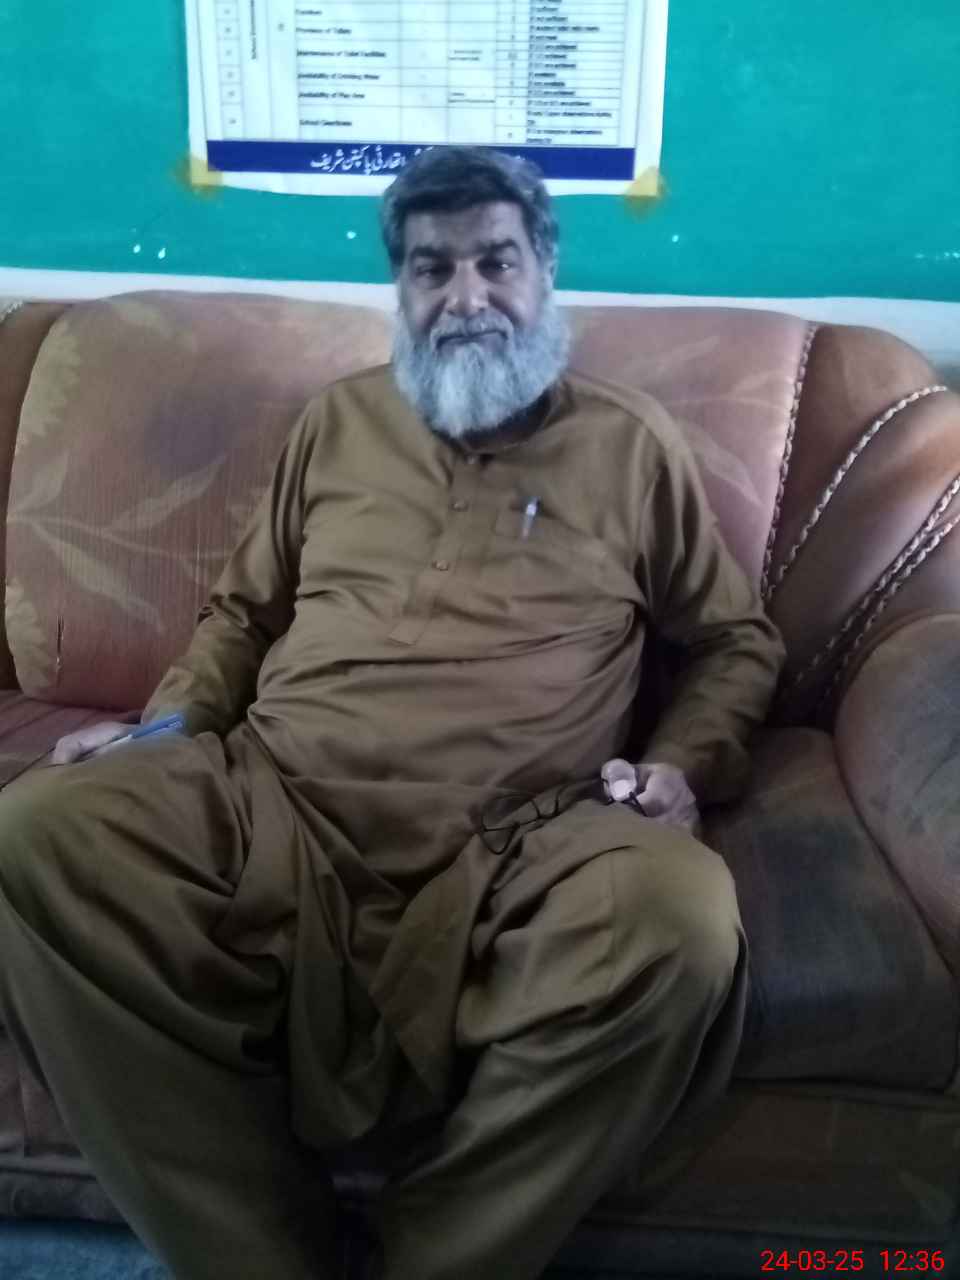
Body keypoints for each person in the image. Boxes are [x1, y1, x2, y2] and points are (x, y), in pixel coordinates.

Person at [0, 147, 785, 1280]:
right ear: (400, 287)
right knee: (40, 835)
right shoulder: (337, 423)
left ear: (546, 270)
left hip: (525, 836)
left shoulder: (631, 445)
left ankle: (439, 1258)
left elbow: (732, 639)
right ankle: (261, 1255)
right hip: (277, 800)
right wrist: (163, 731)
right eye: (432, 268)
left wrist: (681, 763)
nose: (466, 297)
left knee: (678, 922)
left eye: (495, 263)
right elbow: (243, 614)